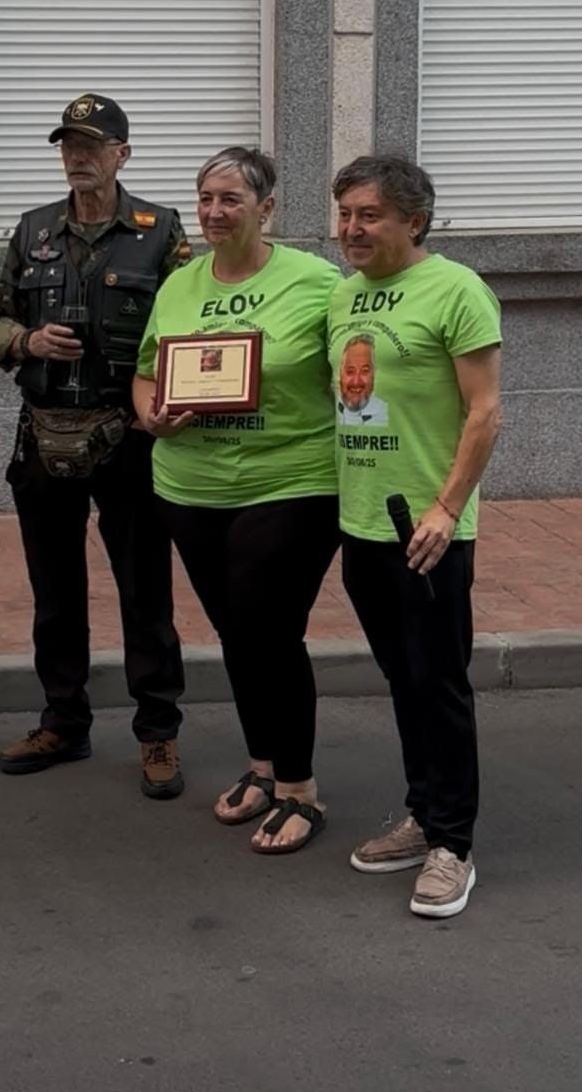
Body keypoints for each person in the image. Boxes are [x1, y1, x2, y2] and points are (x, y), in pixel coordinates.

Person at [134, 147, 341, 854]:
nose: (215, 212)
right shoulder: (180, 285)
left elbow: (356, 375)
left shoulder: (316, 282)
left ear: (267, 208)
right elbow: (146, 373)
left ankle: (300, 790)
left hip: (290, 482)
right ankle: (262, 765)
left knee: (268, 629)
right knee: (236, 631)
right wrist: (152, 415)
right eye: (205, 200)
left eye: (231, 199)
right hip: (190, 486)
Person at [0, 93, 191, 798]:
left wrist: (160, 408)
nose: (77, 156)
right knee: (54, 591)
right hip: (45, 431)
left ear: (122, 154)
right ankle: (64, 721)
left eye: (92, 144)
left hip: (129, 436)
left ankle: (158, 732)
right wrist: (26, 340)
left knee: (145, 591)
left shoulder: (160, 231)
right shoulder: (32, 230)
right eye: (68, 144)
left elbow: (187, 328)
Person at [330, 155, 502, 919]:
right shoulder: (343, 297)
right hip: (362, 521)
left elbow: (485, 410)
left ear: (413, 221)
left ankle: (453, 847)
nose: (351, 230)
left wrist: (447, 508)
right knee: (403, 679)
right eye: (344, 215)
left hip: (427, 528)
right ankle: (423, 811)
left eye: (368, 215)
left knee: (439, 683)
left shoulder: (457, 289)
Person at [337, 335, 389, 426]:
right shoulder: (327, 408)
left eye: (364, 371)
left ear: (374, 374)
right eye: (350, 371)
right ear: (341, 373)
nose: (356, 381)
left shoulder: (385, 416)